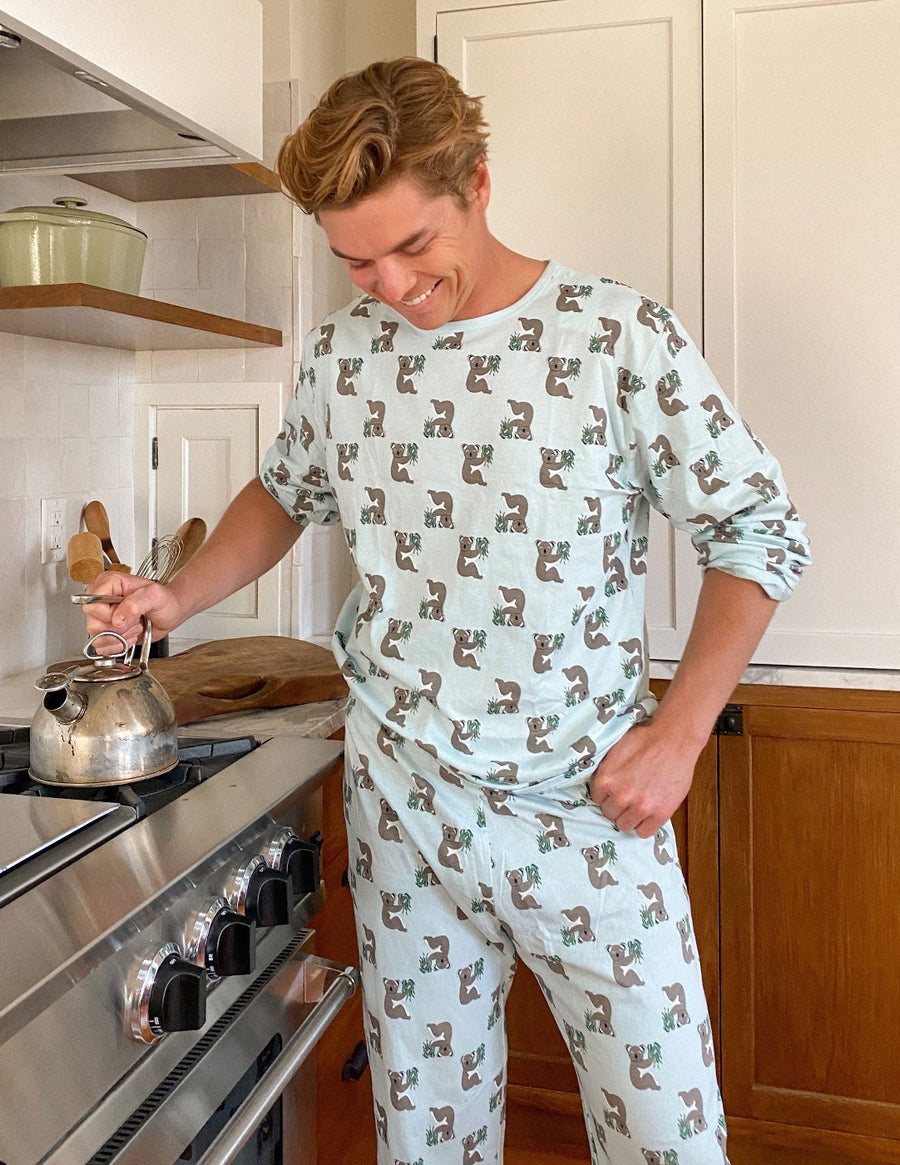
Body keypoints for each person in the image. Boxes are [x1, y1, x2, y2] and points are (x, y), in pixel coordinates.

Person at [85, 57, 809, 1164]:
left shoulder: (616, 338)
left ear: (477, 183)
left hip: (587, 812)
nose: (389, 286)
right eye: (355, 261)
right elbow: (285, 493)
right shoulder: (342, 356)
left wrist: (679, 734)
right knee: (427, 1141)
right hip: (406, 809)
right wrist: (172, 593)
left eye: (412, 246)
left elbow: (758, 530)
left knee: (670, 1138)